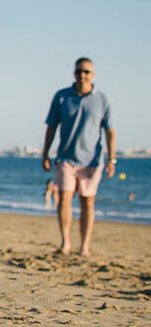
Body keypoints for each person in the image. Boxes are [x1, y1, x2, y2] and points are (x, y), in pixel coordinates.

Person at [42, 57, 115, 257]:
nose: (82, 75)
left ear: (93, 74)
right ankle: (65, 243)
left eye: (86, 72)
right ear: (74, 73)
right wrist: (45, 152)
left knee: (87, 202)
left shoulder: (102, 99)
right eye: (79, 71)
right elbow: (51, 126)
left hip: (92, 160)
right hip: (65, 157)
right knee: (64, 199)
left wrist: (111, 158)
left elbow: (109, 130)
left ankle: (84, 247)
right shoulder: (62, 97)